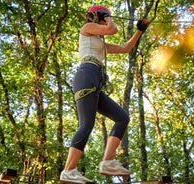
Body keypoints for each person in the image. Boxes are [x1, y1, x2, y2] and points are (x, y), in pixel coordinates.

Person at [60, 5, 148, 183]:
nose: (106, 19)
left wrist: (139, 31)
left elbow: (125, 48)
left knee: (122, 117)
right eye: (103, 16)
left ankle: (108, 161)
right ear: (95, 16)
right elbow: (112, 29)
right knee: (86, 124)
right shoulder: (86, 29)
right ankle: (69, 170)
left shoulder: (99, 42)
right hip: (86, 74)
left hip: (94, 80)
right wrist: (106, 17)